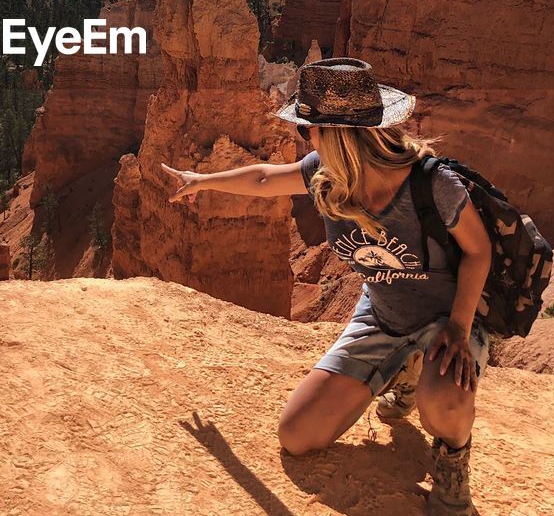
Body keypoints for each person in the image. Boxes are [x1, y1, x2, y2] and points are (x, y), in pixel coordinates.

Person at [161, 57, 491, 515]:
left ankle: (452, 473)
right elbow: (263, 178)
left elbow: (479, 251)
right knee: (297, 436)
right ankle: (402, 368)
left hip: (444, 320)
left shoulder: (433, 184)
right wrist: (203, 181)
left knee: (446, 406)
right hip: (381, 316)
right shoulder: (325, 172)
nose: (305, 138)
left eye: (307, 129)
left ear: (340, 135)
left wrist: (458, 325)